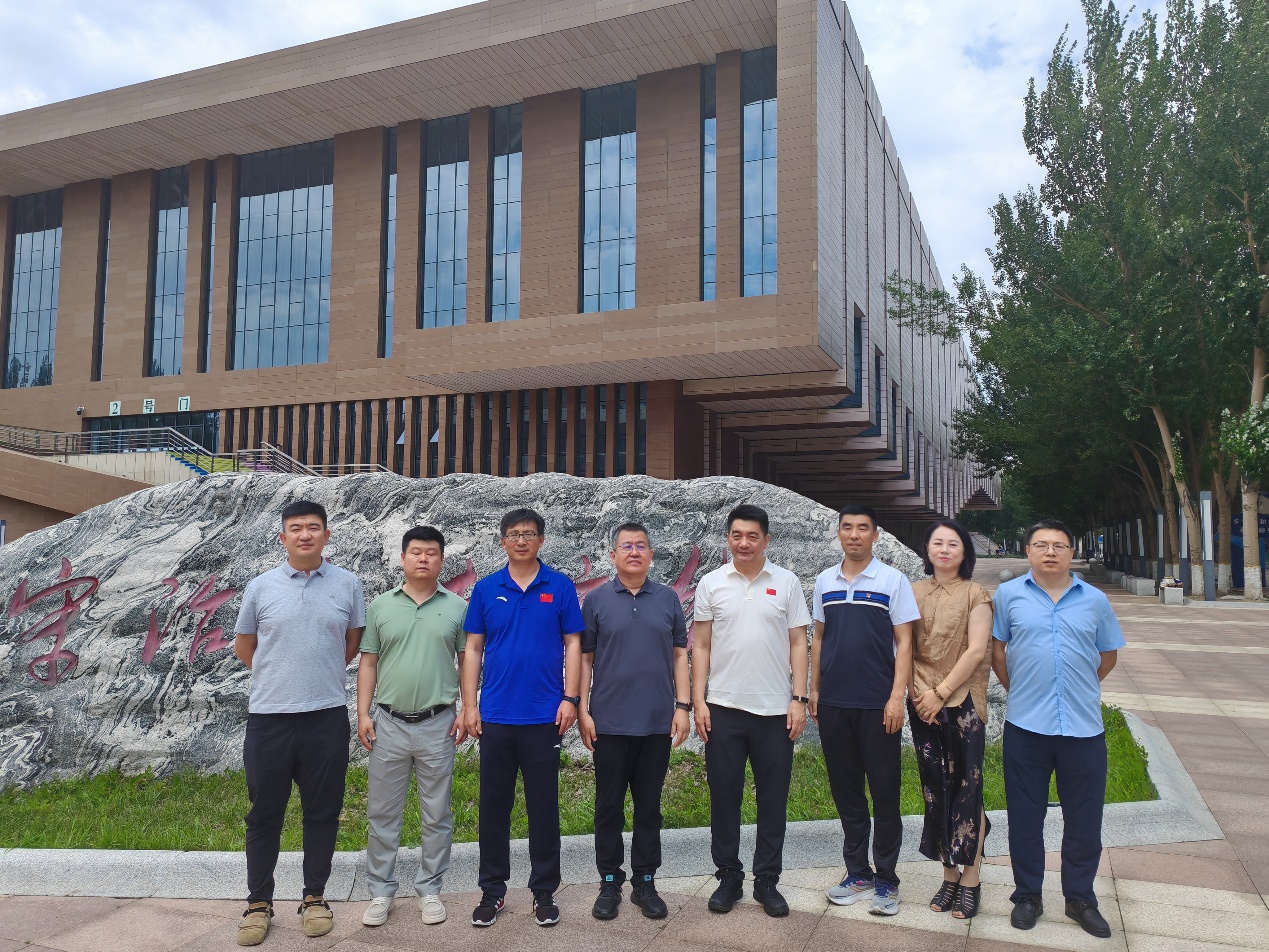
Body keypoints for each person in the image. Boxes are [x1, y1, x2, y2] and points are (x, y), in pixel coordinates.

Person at [232, 500, 365, 947]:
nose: (304, 534)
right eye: (295, 528)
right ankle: (258, 903)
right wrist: (278, 677)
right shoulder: (260, 587)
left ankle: (315, 897)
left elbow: (351, 643)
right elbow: (245, 646)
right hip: (268, 718)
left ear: (327, 535)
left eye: (313, 527)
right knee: (264, 813)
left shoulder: (348, 584)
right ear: (283, 537)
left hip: (325, 717)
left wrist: (316, 676)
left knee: (322, 812)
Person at [992, 519, 1125, 939]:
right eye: (1041, 544)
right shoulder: (1008, 595)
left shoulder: (1095, 600)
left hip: (1083, 729)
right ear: (1028, 551)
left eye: (1059, 545)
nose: (1050, 552)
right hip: (1026, 726)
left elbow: (1108, 655)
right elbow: (998, 651)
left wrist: (1076, 687)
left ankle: (1080, 899)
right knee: (1024, 816)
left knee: (1084, 818)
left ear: (1071, 552)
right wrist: (1025, 689)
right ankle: (1027, 896)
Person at [460, 508, 584, 928]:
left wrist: (570, 697)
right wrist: (470, 705)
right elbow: (473, 648)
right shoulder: (486, 589)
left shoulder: (560, 586)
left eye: (529, 534)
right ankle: (492, 890)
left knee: (543, 806)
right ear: (502, 541)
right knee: (494, 806)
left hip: (544, 715)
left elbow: (573, 643)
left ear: (541, 540)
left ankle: (544, 891)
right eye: (513, 534)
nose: (521, 540)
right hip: (496, 714)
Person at [691, 503, 811, 918]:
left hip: (776, 711)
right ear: (728, 538)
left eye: (752, 536)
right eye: (737, 535)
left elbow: (799, 642)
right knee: (724, 797)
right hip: (723, 708)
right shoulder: (712, 583)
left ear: (766, 540)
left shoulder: (787, 582)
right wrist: (699, 700)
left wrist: (799, 699)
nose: (744, 543)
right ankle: (728, 876)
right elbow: (700, 645)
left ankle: (767, 880)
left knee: (773, 799)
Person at [356, 526, 469, 928]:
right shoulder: (380, 607)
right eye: (416, 552)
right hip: (387, 722)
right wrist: (363, 713)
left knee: (436, 813)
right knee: (382, 812)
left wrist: (466, 708)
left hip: (439, 723)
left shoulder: (457, 607)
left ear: (441, 560)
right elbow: (368, 662)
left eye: (431, 553)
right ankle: (380, 890)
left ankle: (430, 888)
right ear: (403, 558)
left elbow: (467, 661)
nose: (423, 558)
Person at [578, 522, 691, 921]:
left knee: (649, 808)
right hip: (608, 722)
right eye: (626, 546)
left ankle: (645, 881)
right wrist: (582, 709)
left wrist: (683, 706)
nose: (634, 552)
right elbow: (585, 659)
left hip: (656, 722)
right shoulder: (595, 601)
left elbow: (680, 654)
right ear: (613, 555)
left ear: (651, 555)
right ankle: (609, 881)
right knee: (608, 806)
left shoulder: (668, 599)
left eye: (641, 546)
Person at [811, 504, 920, 917]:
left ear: (876, 535)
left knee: (885, 791)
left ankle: (887, 879)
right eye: (847, 527)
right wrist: (814, 689)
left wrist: (896, 697)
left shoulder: (892, 580)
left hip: (878, 703)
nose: (854, 534)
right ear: (838, 533)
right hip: (834, 702)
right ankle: (858, 872)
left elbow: (905, 643)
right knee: (847, 791)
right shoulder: (825, 580)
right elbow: (819, 638)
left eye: (863, 528)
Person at [908, 519, 994, 920]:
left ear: (964, 552)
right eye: (937, 543)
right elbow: (903, 646)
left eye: (953, 544)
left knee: (967, 786)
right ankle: (948, 874)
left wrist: (940, 693)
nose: (944, 549)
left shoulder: (976, 594)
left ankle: (971, 877)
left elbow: (976, 650)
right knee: (935, 787)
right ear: (927, 549)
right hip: (920, 701)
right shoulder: (912, 592)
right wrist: (918, 694)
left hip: (962, 702)